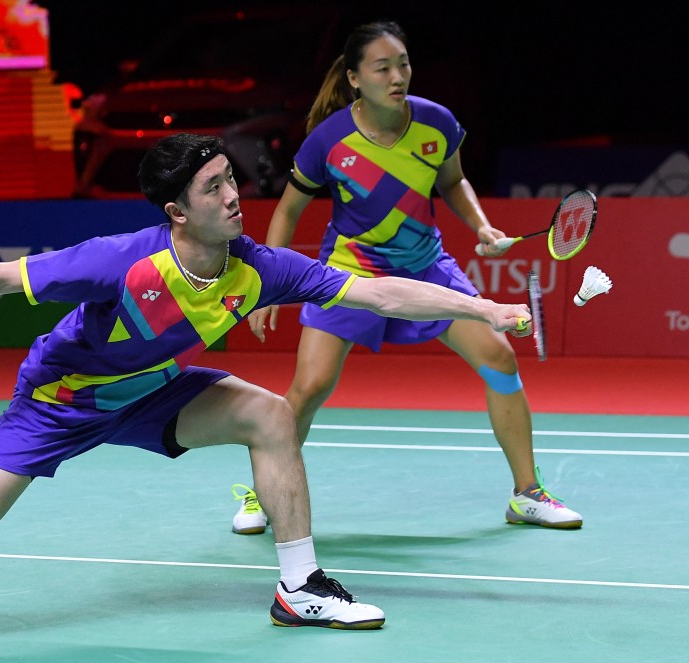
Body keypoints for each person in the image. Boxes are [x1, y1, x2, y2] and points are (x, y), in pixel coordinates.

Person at [0, 132, 533, 663]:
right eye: (215, 186)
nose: (236, 195)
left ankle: (300, 588)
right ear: (176, 212)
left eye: (232, 180)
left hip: (152, 394)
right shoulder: (121, 263)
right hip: (57, 404)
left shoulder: (260, 267)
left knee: (271, 412)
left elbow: (381, 292)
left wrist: (483, 309)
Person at [231, 21, 582, 536]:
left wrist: (482, 226)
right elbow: (286, 213)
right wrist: (271, 285)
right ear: (354, 78)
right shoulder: (328, 141)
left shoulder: (437, 125)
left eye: (403, 64)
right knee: (310, 386)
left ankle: (527, 493)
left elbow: (454, 181)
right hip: (349, 272)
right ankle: (262, 492)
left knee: (499, 358)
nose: (398, 76)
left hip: (425, 265)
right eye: (383, 67)